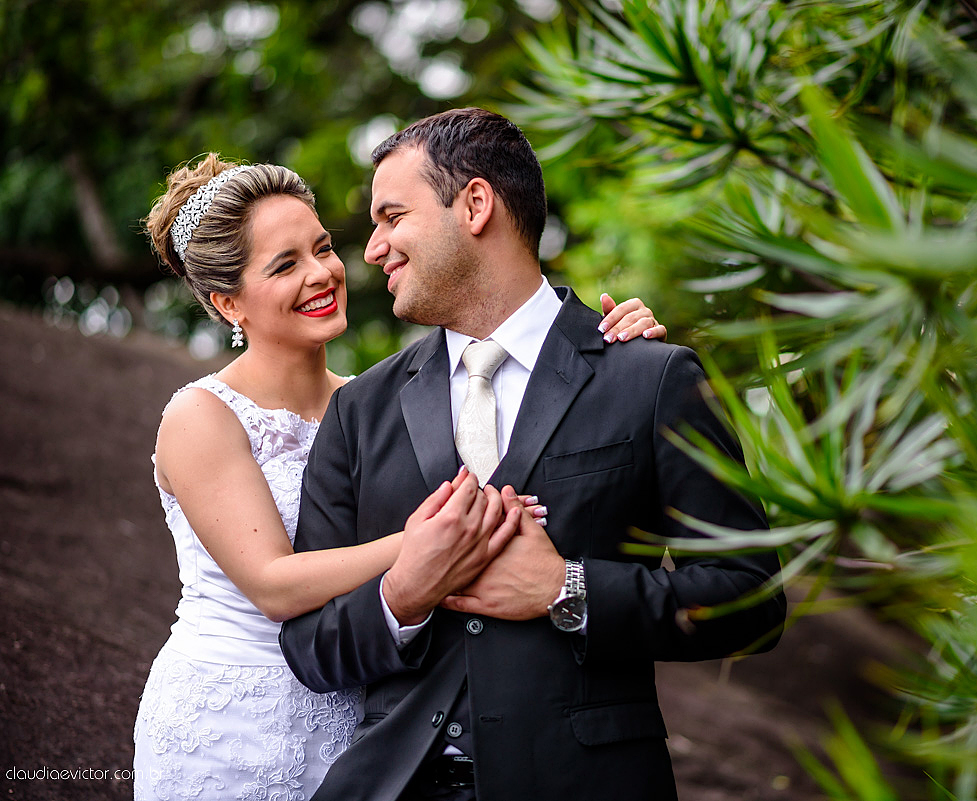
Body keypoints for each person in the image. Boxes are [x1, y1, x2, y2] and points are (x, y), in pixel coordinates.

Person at [278, 108, 786, 801]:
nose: (373, 248)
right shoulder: (360, 411)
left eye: (392, 216)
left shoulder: (648, 376)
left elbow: (751, 599)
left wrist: (566, 589)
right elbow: (309, 644)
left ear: (476, 204)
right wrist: (404, 592)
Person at [133, 153, 666, 801]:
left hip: (363, 731)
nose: (323, 273)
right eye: (285, 264)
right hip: (232, 718)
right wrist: (431, 545)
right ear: (226, 302)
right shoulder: (202, 415)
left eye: (322, 248)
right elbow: (273, 584)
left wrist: (602, 347)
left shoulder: (380, 402)